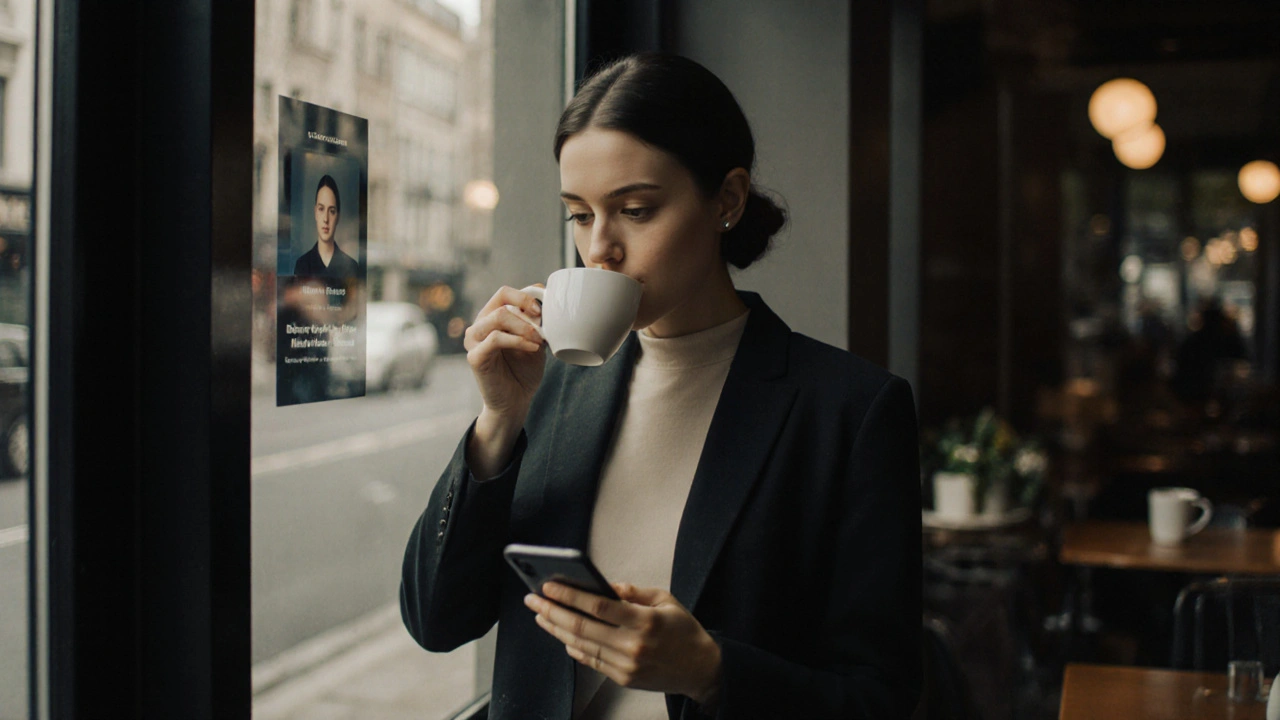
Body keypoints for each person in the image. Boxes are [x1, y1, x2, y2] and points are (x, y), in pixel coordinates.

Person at [401, 53, 922, 719]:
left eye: (636, 210)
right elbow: (434, 620)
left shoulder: (849, 411)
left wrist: (710, 670)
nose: (599, 248)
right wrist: (497, 424)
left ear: (726, 201)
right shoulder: (548, 388)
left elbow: (882, 699)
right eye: (579, 215)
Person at [293, 174, 359, 279]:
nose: (326, 219)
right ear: (315, 212)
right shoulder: (302, 265)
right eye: (321, 209)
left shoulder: (351, 267)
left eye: (332, 211)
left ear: (338, 216)